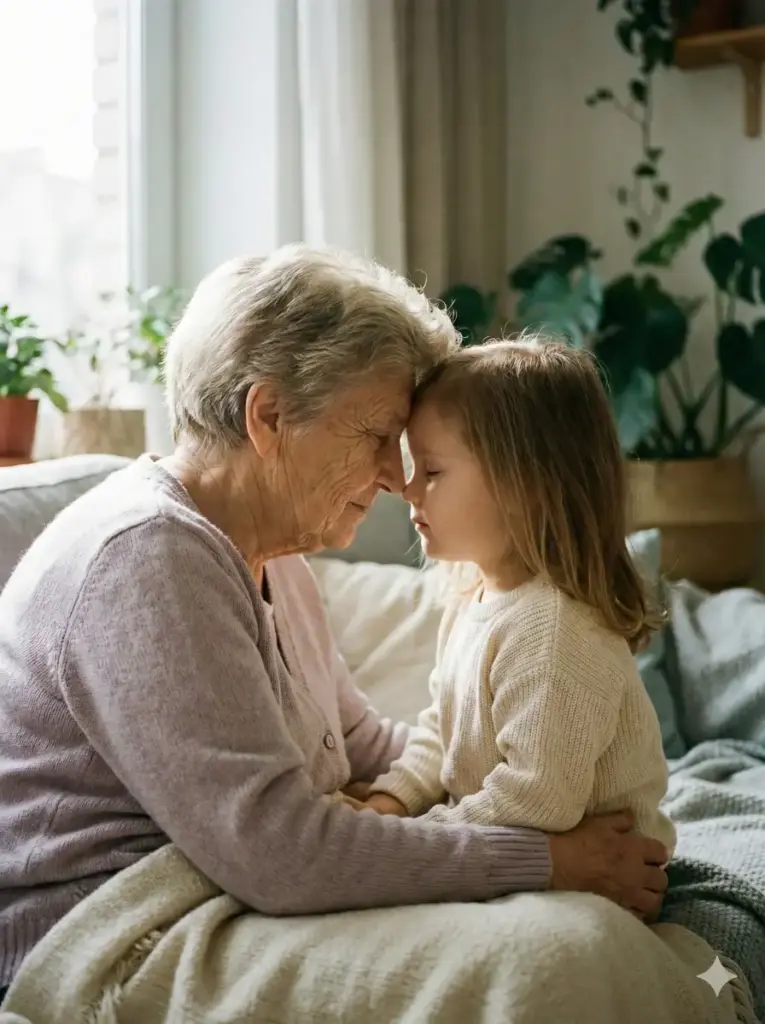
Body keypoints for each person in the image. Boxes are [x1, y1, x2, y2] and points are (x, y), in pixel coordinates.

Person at [0, 248, 669, 999]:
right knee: (555, 957)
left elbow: (356, 750)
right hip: (116, 931)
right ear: (269, 417)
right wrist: (549, 859)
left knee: (579, 943)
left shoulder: (270, 551)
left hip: (230, 892)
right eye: (379, 435)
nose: (396, 477)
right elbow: (280, 854)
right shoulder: (147, 558)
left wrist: (418, 802)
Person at [364, 339, 676, 857]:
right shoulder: (472, 598)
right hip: (510, 848)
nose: (408, 489)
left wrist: (412, 839)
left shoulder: (554, 629)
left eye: (433, 470)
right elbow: (440, 732)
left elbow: (537, 800)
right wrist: (389, 804)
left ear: (525, 483)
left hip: (604, 873)